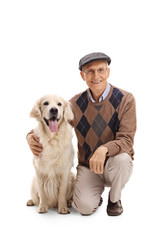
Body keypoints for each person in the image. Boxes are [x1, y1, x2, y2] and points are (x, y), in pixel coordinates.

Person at [27, 52, 136, 216]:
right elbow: (53, 122)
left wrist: (103, 149)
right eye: (90, 71)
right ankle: (94, 194)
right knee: (83, 208)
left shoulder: (126, 99)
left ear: (108, 72)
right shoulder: (74, 104)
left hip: (114, 163)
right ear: (82, 76)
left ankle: (114, 199)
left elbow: (126, 140)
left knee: (122, 159)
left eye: (100, 70)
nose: (96, 75)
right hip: (88, 167)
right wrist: (30, 136)